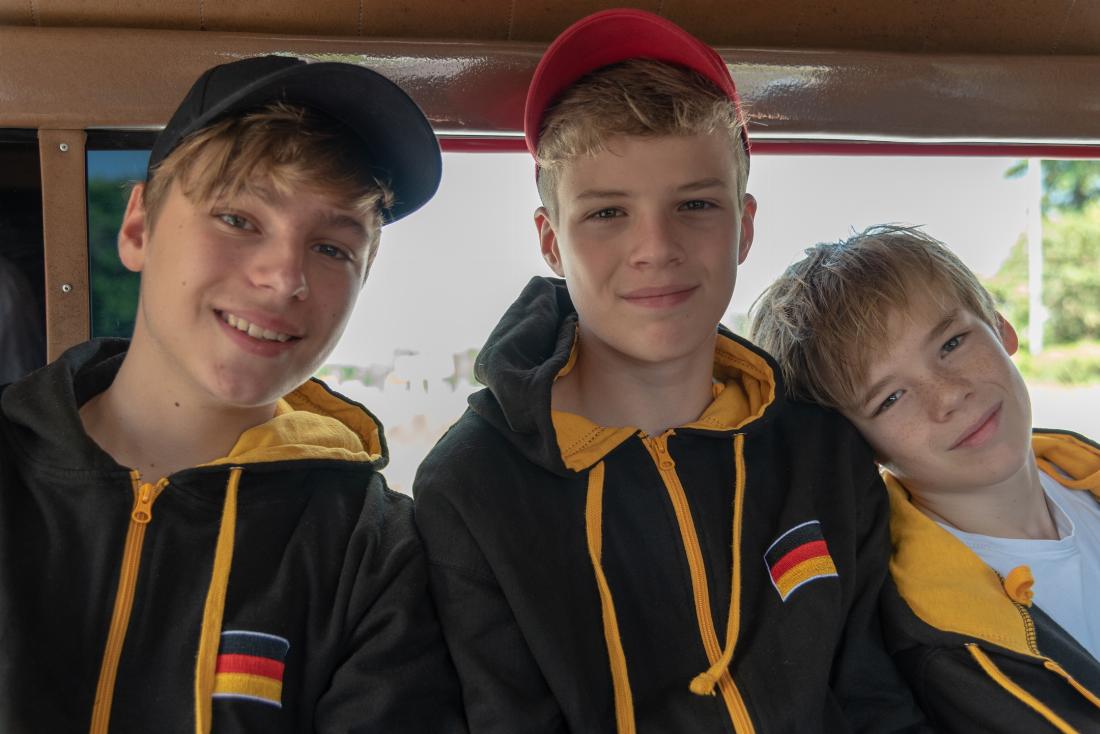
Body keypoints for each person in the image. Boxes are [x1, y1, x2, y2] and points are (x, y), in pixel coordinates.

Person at [413, 10, 926, 732]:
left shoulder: (824, 452)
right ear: (551, 242)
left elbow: (877, 701)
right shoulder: (471, 486)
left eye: (695, 204)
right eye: (607, 214)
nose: (655, 248)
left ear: (745, 225)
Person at [0, 55, 465, 733]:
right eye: (238, 219)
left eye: (332, 249)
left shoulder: (371, 552)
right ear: (138, 229)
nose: (285, 277)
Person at [750, 224, 1100, 731]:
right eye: (890, 398)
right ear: (857, 448)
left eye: (951, 344)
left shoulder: (1086, 473)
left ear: (1000, 327)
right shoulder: (922, 643)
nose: (948, 395)